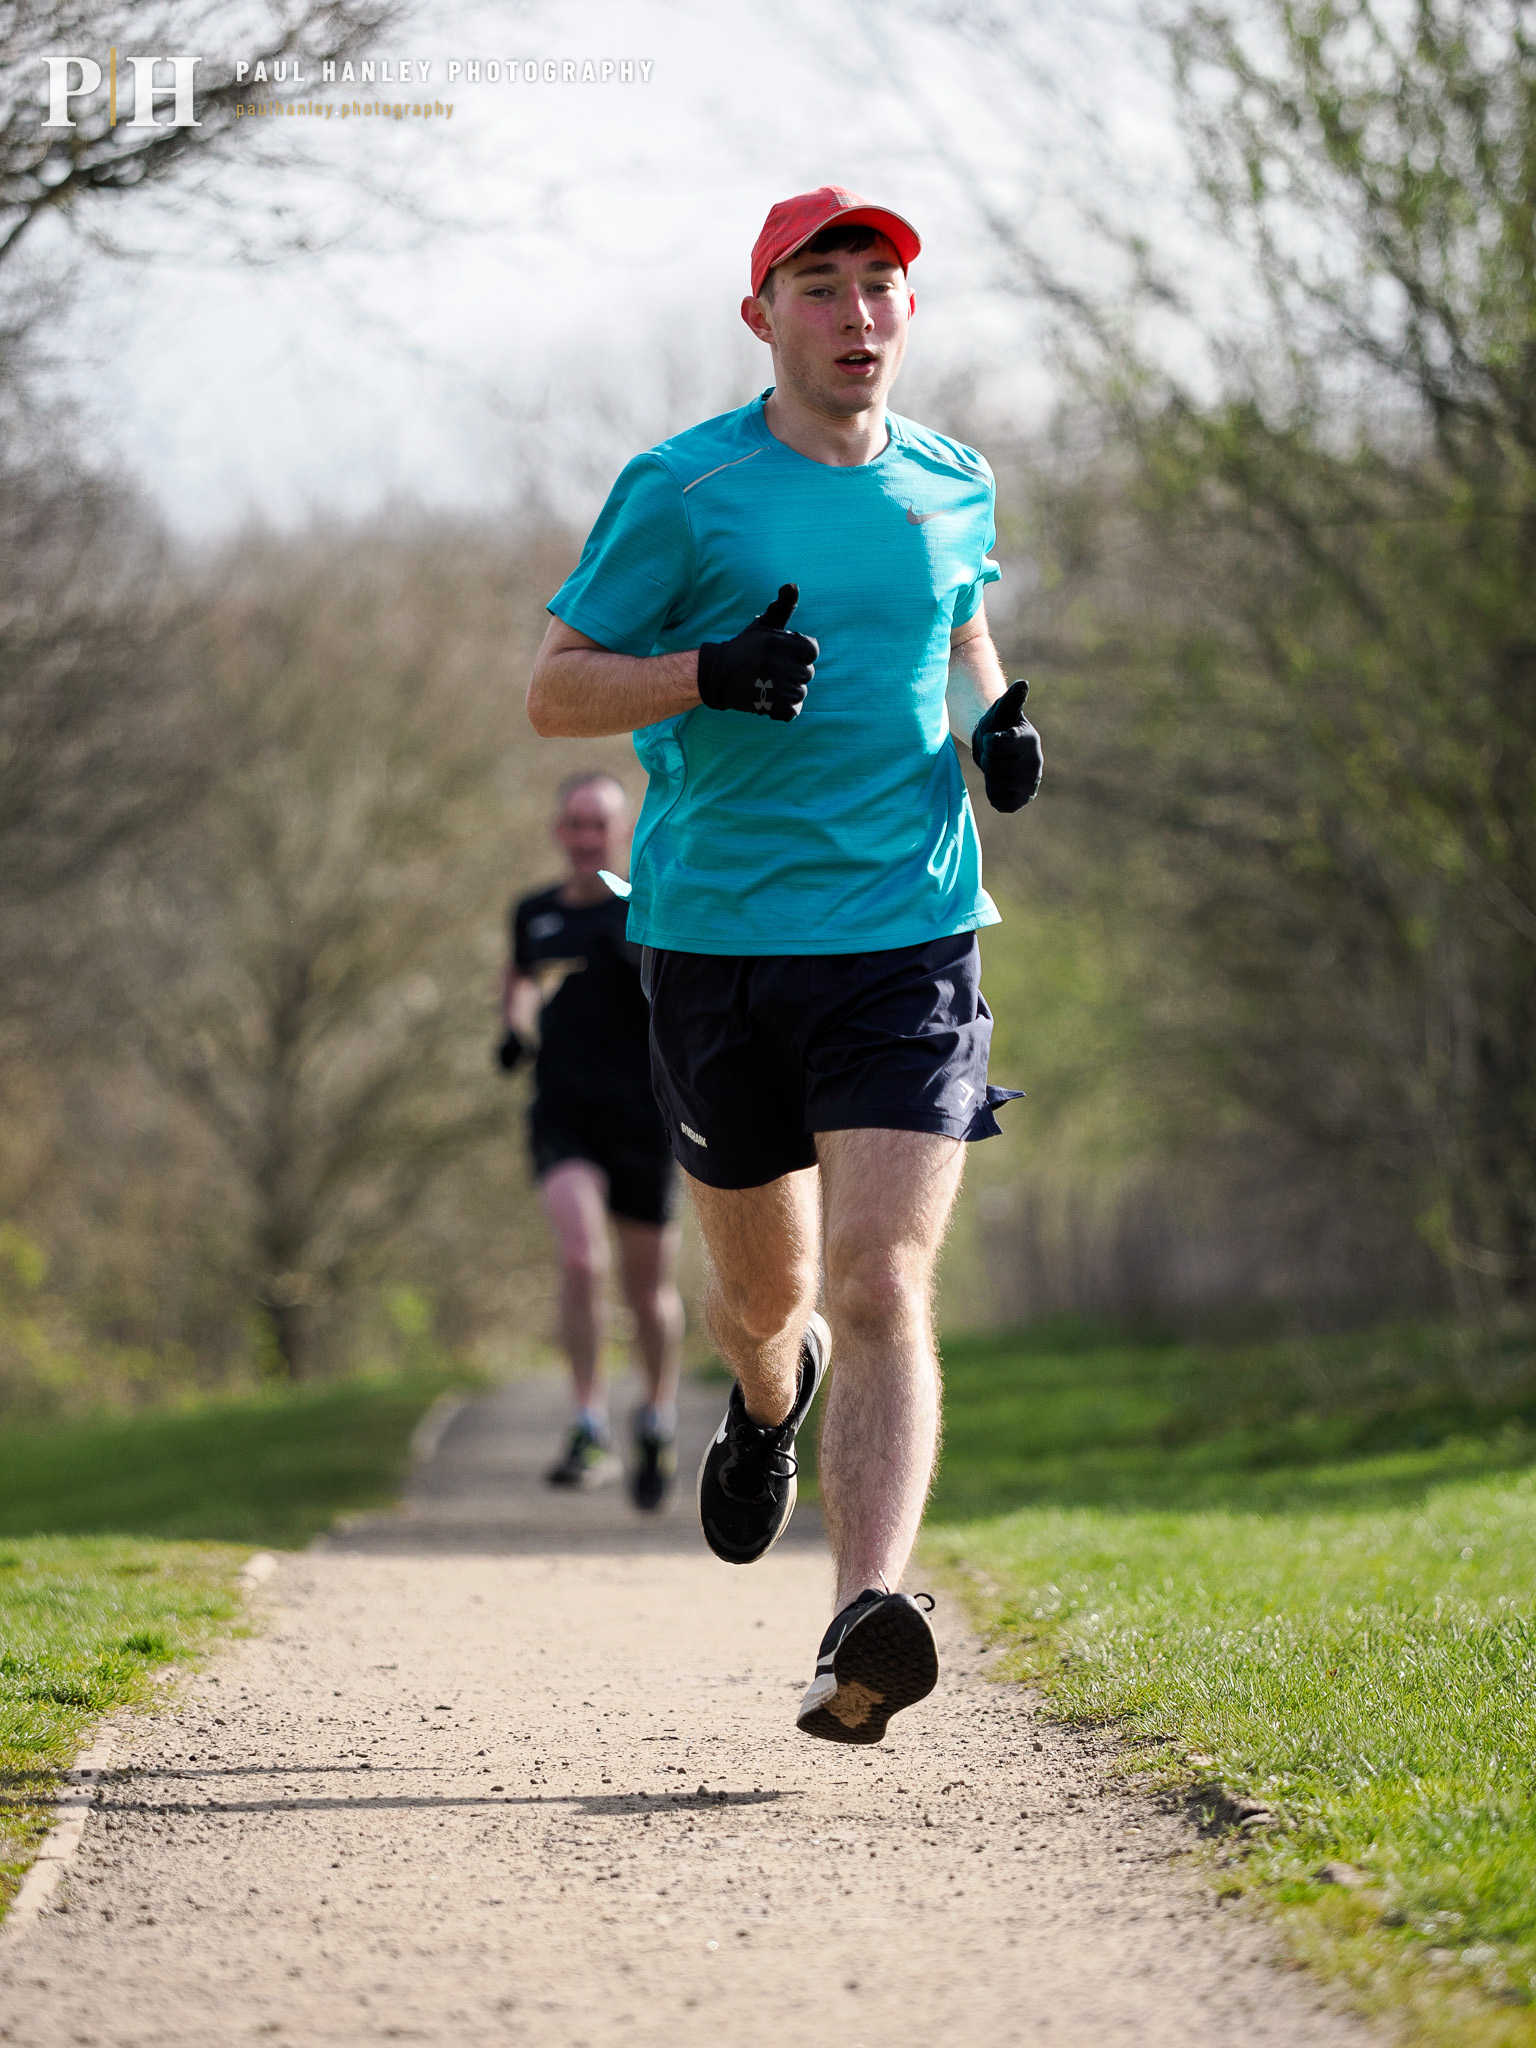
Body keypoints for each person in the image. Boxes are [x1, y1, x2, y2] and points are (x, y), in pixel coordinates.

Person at [525, 187, 1043, 1743]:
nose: (858, 313)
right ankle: (765, 1407)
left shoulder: (954, 483)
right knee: (772, 1299)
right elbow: (554, 692)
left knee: (886, 1274)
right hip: (714, 945)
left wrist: (997, 722)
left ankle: (862, 1621)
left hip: (910, 934)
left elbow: (961, 632)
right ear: (764, 318)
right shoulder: (685, 490)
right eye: (821, 287)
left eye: (880, 284)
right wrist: (707, 675)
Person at [499, 771, 685, 1510]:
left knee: (648, 1294)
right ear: (558, 831)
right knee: (581, 1256)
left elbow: (691, 999)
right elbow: (519, 977)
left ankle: (657, 1416)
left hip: (646, 1120)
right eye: (573, 824)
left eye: (597, 826)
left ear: (621, 833)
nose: (584, 838)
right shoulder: (534, 913)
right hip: (565, 1117)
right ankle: (586, 1422)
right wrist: (513, 1028)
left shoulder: (652, 910)